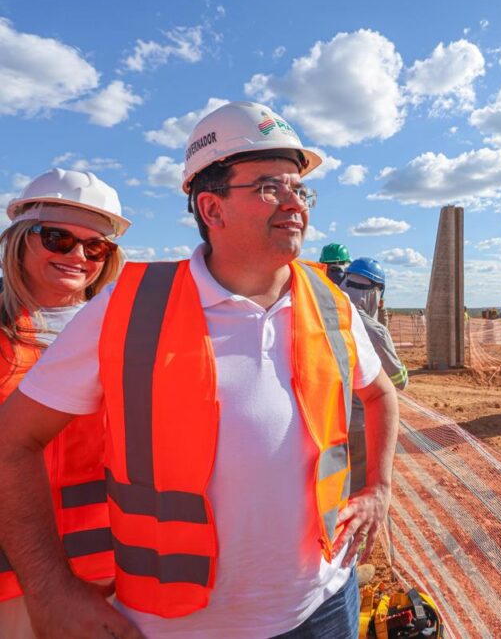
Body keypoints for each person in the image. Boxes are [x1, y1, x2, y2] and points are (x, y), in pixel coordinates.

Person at [0, 101, 400, 638]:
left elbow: (379, 394)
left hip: (324, 605)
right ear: (211, 210)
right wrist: (50, 589)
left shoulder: (330, 303)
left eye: (299, 189)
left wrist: (379, 488)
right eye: (268, 188)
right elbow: (12, 443)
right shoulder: (128, 310)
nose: (294, 204)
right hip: (176, 623)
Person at [0, 168, 131, 638]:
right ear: (20, 239)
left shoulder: (125, 329)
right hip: (15, 580)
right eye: (57, 238)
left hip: (115, 572)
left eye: (95, 246)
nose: (77, 255)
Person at [336, 257, 408, 494]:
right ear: (376, 293)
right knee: (360, 498)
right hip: (358, 428)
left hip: (323, 425)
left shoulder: (321, 312)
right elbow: (399, 381)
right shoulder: (373, 331)